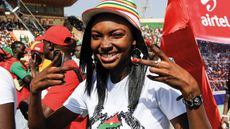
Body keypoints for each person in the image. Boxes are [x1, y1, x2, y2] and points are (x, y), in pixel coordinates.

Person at [28, 0, 211, 129]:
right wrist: (34, 93)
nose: (105, 45)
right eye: (96, 36)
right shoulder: (88, 87)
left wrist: (192, 92)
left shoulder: (156, 82)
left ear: (133, 40)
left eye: (116, 35)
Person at [31, 25, 87, 129]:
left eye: (44, 43)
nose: (42, 46)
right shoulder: (66, 67)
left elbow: (43, 115)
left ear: (50, 45)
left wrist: (34, 90)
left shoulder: (67, 73)